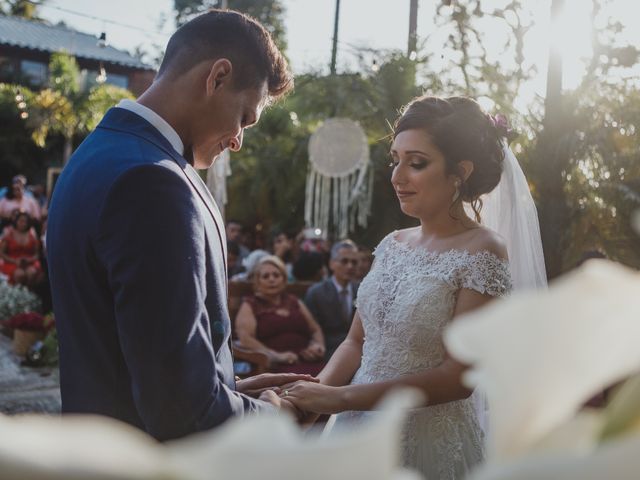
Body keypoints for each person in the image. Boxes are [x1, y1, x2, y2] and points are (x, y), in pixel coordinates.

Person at [46, 10, 313, 442]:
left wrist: (230, 393)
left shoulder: (97, 154)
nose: (236, 141)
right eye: (244, 118)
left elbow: (138, 360)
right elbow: (180, 411)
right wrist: (270, 416)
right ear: (217, 77)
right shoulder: (151, 182)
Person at [282, 96, 520, 478]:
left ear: (460, 172)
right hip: (352, 430)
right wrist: (311, 403)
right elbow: (356, 342)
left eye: (417, 163)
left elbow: (457, 379)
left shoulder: (484, 250)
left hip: (427, 441)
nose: (397, 176)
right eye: (395, 160)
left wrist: (340, 399)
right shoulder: (392, 244)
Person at [235, 255, 325, 375]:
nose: (271, 279)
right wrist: (275, 356)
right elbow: (245, 338)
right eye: (265, 276)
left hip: (307, 359)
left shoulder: (294, 301)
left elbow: (315, 329)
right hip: (274, 366)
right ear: (257, 282)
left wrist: (318, 346)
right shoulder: (251, 304)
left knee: (332, 378)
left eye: (276, 275)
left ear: (283, 279)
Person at [304, 240, 360, 360]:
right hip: (327, 353)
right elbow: (311, 329)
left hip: (361, 353)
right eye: (344, 261)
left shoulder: (362, 290)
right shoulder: (316, 293)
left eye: (354, 262)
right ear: (331, 264)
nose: (350, 266)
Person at [0, 211, 43, 287]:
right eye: (21, 221)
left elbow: (37, 254)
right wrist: (14, 261)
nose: (23, 224)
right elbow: (2, 253)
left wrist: (29, 260)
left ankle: (31, 293)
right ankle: (19, 294)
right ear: (16, 221)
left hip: (29, 262)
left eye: (25, 222)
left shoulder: (32, 235)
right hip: (11, 262)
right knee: (19, 274)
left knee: (32, 273)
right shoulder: (8, 234)